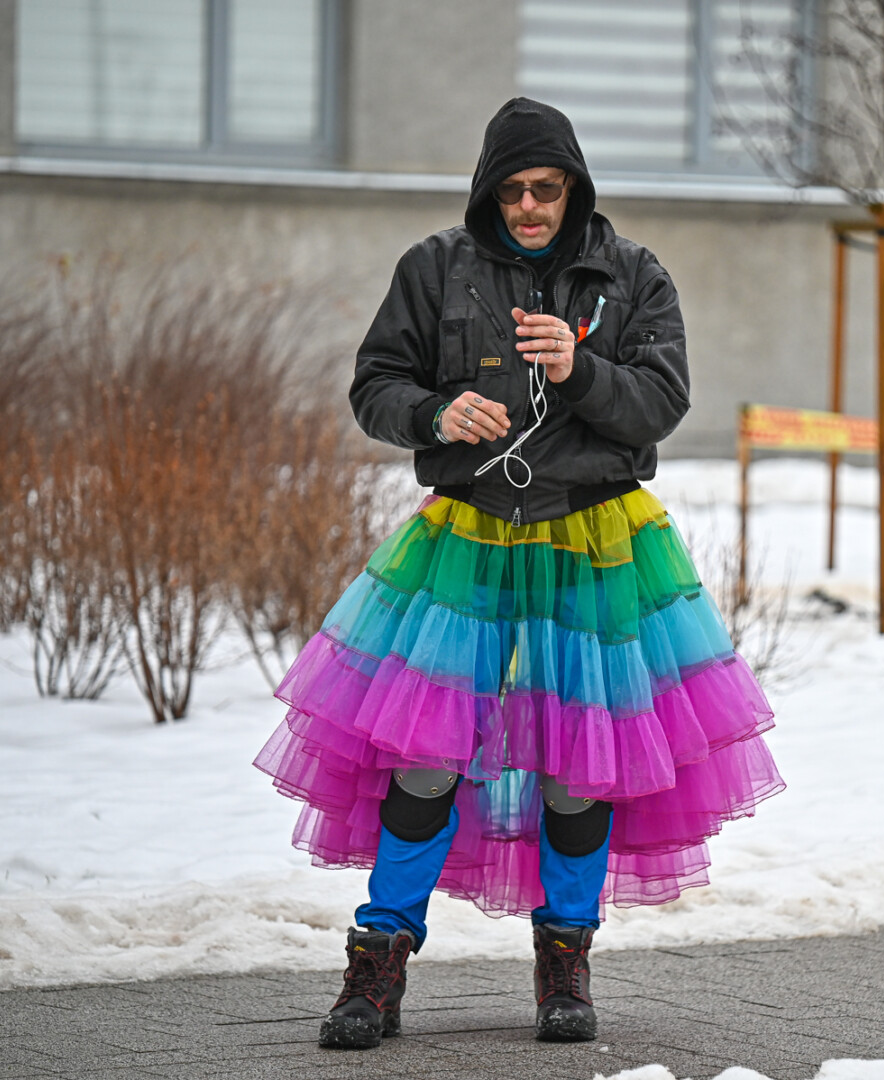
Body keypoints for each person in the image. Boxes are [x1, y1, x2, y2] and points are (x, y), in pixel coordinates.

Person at [253, 98, 784, 1052]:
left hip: (595, 538)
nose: (529, 206)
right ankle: (377, 964)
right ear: (487, 193)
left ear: (574, 188)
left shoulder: (631, 275)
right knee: (423, 755)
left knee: (581, 765)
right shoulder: (435, 267)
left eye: (546, 189)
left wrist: (579, 370)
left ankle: (564, 960)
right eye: (511, 191)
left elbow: (660, 404)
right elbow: (376, 385)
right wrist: (434, 415)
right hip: (470, 530)